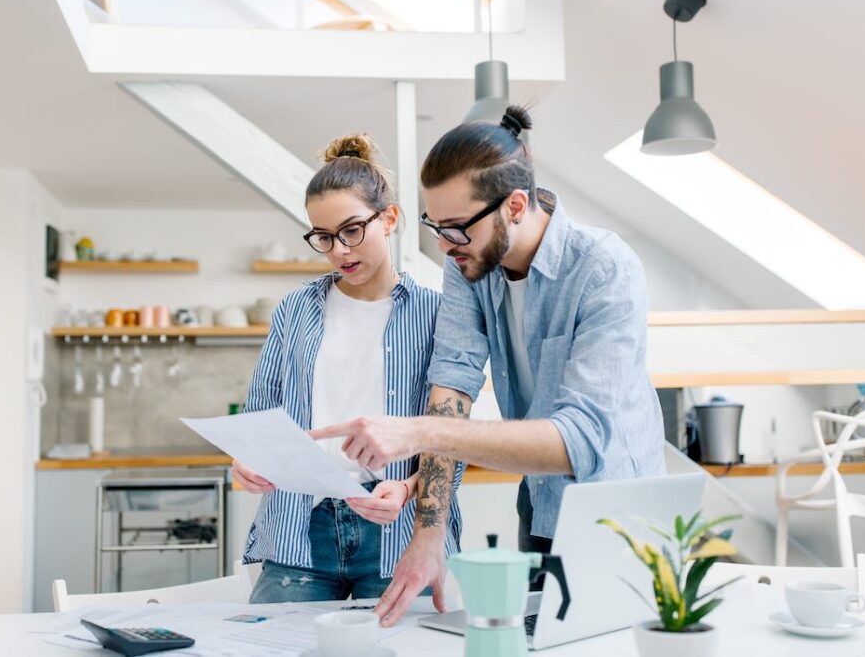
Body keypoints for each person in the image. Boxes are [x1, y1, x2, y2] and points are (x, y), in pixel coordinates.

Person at [312, 106, 665, 625]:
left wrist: (416, 433)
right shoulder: (471, 263)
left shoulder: (603, 269)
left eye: (455, 228)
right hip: (541, 504)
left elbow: (579, 442)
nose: (443, 244)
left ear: (515, 206)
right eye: (435, 225)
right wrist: (428, 536)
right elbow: (452, 381)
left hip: (619, 516)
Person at [233, 133, 463, 603]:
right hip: (299, 529)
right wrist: (245, 460)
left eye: (352, 229)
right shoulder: (295, 309)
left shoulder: (436, 314)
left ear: (391, 219)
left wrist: (407, 487)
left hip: (396, 530)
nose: (339, 249)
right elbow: (259, 420)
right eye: (323, 237)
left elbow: (450, 437)